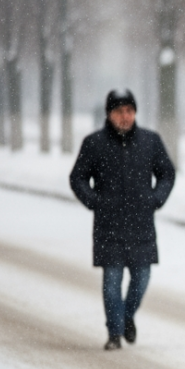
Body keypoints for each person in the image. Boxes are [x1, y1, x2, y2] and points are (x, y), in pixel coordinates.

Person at [69, 89, 176, 350]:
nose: (124, 116)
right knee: (111, 282)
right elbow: (78, 177)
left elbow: (167, 173)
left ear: (135, 112)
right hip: (109, 226)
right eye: (119, 111)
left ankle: (127, 316)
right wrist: (95, 202)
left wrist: (155, 199)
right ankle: (114, 333)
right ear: (109, 114)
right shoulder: (94, 143)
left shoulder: (150, 141)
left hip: (141, 224)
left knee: (141, 279)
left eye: (129, 111)